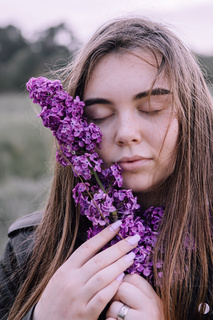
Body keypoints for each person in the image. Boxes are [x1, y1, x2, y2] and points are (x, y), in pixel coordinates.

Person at [0, 16, 212, 320]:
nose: (126, 132)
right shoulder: (28, 251)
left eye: (152, 108)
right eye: (98, 115)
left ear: (193, 115)